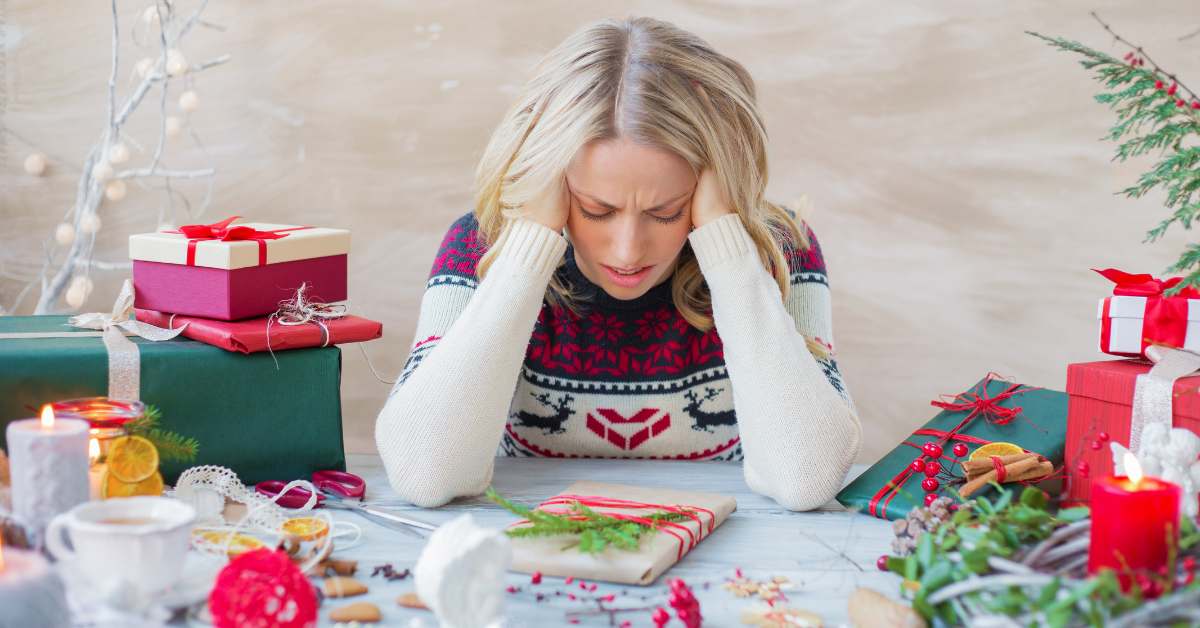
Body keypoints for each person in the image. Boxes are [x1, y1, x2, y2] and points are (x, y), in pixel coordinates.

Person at [376, 16, 861, 510]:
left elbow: (807, 477)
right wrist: (529, 245)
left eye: (666, 212)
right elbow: (425, 472)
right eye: (596, 210)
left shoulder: (781, 249)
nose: (628, 251)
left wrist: (725, 239)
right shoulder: (481, 247)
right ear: (555, 182)